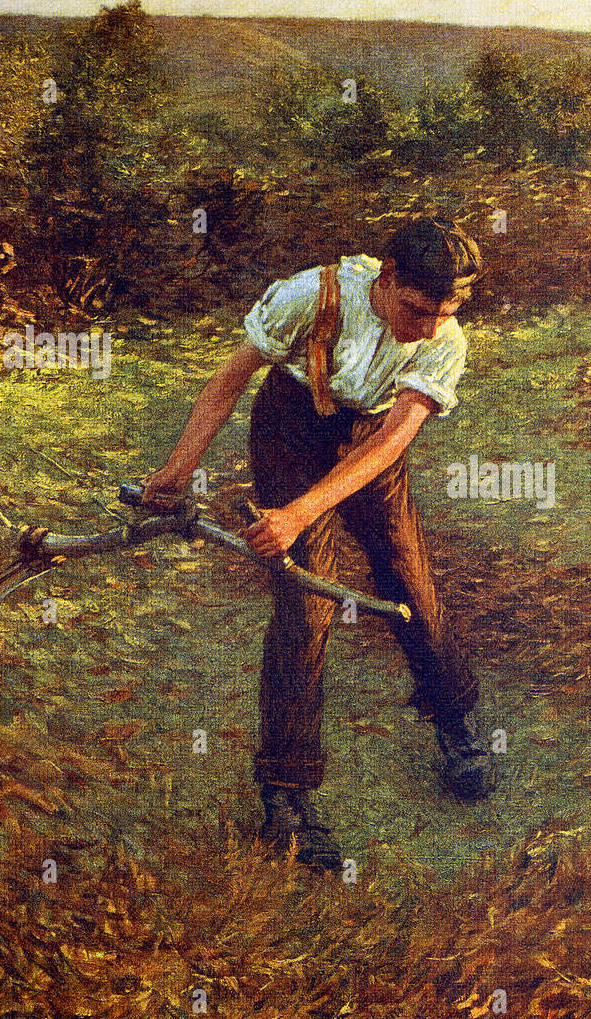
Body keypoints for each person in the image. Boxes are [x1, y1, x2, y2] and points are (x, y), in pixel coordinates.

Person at [141, 218, 495, 870]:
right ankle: (287, 793)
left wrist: (301, 513)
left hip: (370, 447)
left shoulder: (446, 339)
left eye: (444, 314)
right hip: (290, 433)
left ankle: (456, 723)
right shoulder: (309, 295)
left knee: (411, 582)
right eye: (418, 310)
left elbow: (391, 442)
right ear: (387, 276)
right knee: (305, 607)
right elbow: (229, 379)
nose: (427, 328)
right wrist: (178, 467)